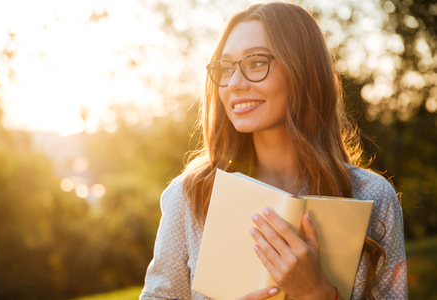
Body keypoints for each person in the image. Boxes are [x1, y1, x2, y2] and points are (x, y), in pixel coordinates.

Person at [140, 2, 407, 299]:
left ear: (303, 71)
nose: (235, 83)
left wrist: (317, 294)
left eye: (256, 63)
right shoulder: (191, 195)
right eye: (226, 67)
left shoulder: (372, 195)